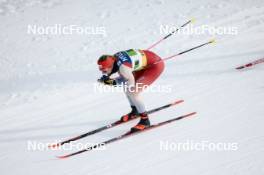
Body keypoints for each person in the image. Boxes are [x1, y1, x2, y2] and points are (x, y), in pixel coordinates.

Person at [97, 49, 164, 132]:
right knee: (127, 87)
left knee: (133, 92)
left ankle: (145, 120)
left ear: (111, 66)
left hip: (154, 66)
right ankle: (135, 111)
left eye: (104, 70)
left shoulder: (123, 68)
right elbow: (125, 78)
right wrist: (111, 81)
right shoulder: (114, 60)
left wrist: (111, 82)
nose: (103, 72)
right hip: (144, 63)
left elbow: (128, 82)